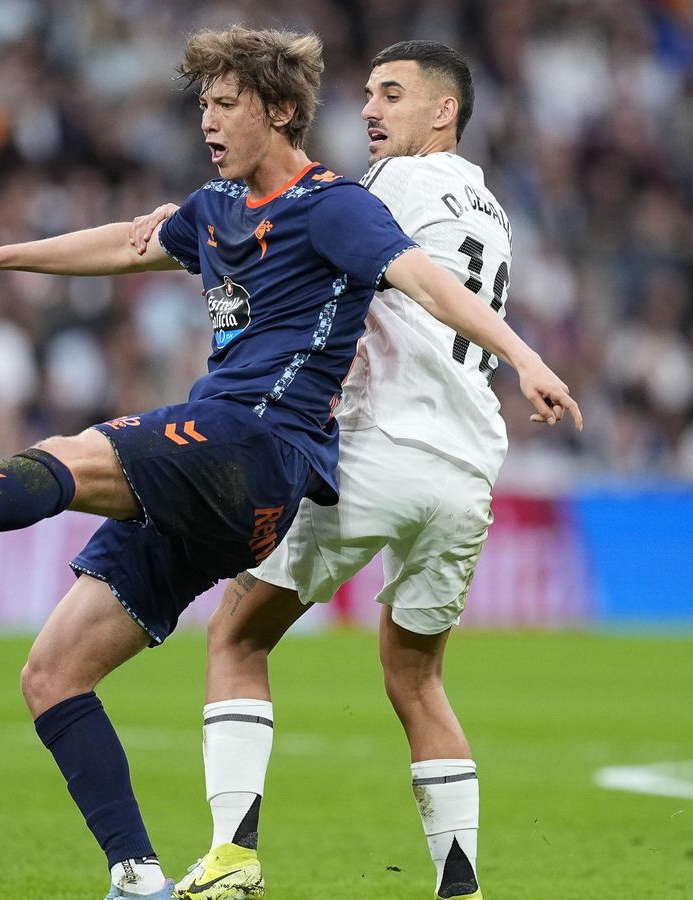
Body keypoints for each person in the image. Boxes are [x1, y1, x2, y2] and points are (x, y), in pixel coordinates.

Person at [0, 27, 578, 900]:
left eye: (226, 103)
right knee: (52, 673)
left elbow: (424, 278)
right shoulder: (224, 207)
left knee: (86, 468)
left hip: (262, 444)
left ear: (281, 111)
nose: (207, 120)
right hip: (432, 467)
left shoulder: (347, 200)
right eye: (203, 104)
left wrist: (526, 357)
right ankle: (138, 874)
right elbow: (128, 246)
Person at [129, 41, 567, 900]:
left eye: (392, 95)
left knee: (237, 636)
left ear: (443, 111)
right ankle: (461, 885)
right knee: (417, 677)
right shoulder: (489, 206)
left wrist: (191, 219)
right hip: (468, 470)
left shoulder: (388, 183)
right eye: (367, 93)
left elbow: (288, 213)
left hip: (380, 449)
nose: (369, 109)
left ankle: (231, 855)